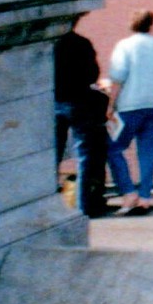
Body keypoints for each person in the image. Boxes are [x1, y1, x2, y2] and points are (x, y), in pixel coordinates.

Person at [105, 9, 153, 214]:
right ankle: (145, 196)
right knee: (147, 153)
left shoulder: (124, 46)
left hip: (129, 105)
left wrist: (110, 105)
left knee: (113, 148)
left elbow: (118, 77)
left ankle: (128, 192)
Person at [54, 27, 109, 219]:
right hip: (79, 102)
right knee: (84, 157)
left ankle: (53, 203)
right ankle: (83, 206)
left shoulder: (51, 45)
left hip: (54, 102)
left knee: (54, 155)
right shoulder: (82, 43)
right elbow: (92, 73)